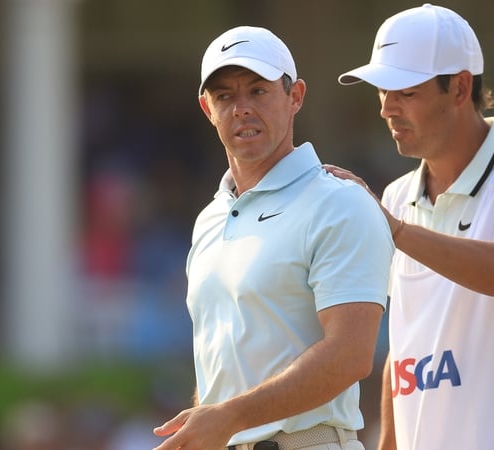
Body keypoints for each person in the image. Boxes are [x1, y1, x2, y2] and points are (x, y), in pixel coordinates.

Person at [326, 4, 494, 449]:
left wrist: (395, 231)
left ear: (459, 88)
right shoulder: (396, 199)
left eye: (406, 92)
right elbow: (407, 344)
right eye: (382, 91)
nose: (387, 109)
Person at [152, 26, 395, 450]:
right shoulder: (209, 218)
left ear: (295, 96)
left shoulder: (339, 203)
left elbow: (351, 355)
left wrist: (227, 417)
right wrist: (207, 424)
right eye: (225, 96)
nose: (241, 108)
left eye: (258, 91)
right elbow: (224, 372)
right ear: (206, 108)